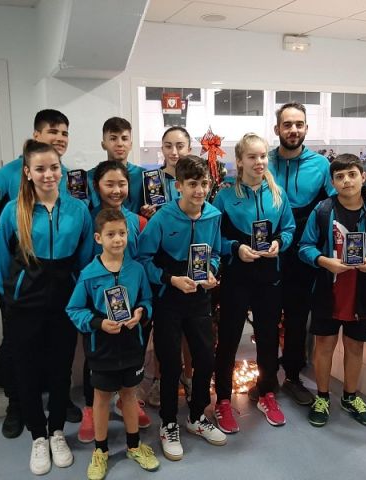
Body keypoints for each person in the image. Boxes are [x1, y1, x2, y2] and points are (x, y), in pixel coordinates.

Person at [262, 102, 366, 407]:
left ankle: (291, 375)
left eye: (299, 124)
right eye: (287, 124)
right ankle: (264, 381)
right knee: (265, 316)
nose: (293, 130)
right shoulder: (265, 162)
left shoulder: (318, 164)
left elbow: (344, 188)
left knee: (297, 315)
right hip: (269, 246)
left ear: (306, 128)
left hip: (303, 249)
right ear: (277, 129)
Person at [0, 140, 93, 475]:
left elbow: (84, 258)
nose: (49, 174)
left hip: (64, 300)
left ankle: (55, 433)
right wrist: (7, 298)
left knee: (60, 366)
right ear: (28, 172)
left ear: (61, 169)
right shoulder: (13, 210)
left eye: (54, 167)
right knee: (26, 368)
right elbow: (1, 259)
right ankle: (37, 436)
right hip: (25, 301)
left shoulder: (78, 209)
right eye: (40, 168)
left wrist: (80, 296)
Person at [0, 109, 81, 439]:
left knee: (60, 357)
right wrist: (6, 292)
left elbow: (80, 246)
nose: (49, 174)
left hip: (62, 292)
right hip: (22, 291)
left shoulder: (72, 186)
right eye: (53, 132)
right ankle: (20, 408)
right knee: (20, 355)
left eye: (65, 133)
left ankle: (58, 411)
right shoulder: (9, 186)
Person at [298, 154, 366, 427]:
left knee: (355, 348)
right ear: (332, 182)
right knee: (324, 347)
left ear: (363, 177)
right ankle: (321, 397)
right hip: (326, 293)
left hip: (363, 292)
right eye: (340, 176)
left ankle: (350, 396)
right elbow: (304, 247)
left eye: (352, 174)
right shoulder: (322, 211)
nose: (346, 181)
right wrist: (324, 261)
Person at [137, 155, 227, 461]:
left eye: (204, 183)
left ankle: (197, 416)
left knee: (205, 357)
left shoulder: (213, 215)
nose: (199, 190)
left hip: (199, 298)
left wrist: (212, 271)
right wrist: (170, 279)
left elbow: (214, 252)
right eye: (192, 184)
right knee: (171, 364)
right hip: (168, 299)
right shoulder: (162, 217)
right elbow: (144, 258)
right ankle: (169, 422)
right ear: (179, 187)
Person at [212, 133, 296, 433]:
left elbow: (289, 227)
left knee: (268, 337)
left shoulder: (278, 194)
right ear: (239, 161)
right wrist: (236, 249)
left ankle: (267, 392)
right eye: (252, 157)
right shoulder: (224, 197)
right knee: (229, 340)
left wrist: (279, 243)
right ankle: (222, 399)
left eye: (262, 156)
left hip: (269, 277)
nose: (259, 162)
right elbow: (214, 238)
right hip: (237, 277)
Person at [67, 208, 160, 480]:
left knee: (129, 395)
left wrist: (141, 313)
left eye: (122, 233)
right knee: (102, 398)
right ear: (98, 238)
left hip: (132, 346)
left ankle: (133, 446)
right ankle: (101, 451)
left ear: (128, 234)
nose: (117, 239)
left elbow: (147, 301)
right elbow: (74, 310)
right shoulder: (89, 274)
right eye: (111, 234)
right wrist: (98, 324)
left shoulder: (137, 270)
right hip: (102, 349)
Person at [78, 161, 151, 444]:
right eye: (109, 184)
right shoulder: (89, 218)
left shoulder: (135, 219)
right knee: (96, 362)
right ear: (97, 187)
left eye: (121, 184)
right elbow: (83, 261)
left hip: (132, 304)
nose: (116, 190)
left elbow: (143, 258)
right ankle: (91, 410)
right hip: (98, 305)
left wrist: (141, 306)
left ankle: (127, 402)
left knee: (132, 355)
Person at [147, 126, 195, 409]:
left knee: (190, 332)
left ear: (189, 147)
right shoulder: (150, 180)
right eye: (168, 146)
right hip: (162, 266)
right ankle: (162, 379)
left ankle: (188, 378)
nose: (174, 152)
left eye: (180, 145)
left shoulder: (198, 179)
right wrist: (147, 215)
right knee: (163, 332)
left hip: (192, 265)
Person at [88, 117, 153, 217]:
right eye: (113, 138)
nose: (119, 144)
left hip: (135, 229)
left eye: (124, 138)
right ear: (103, 144)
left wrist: (150, 212)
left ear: (131, 144)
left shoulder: (145, 176)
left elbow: (153, 210)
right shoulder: (88, 177)